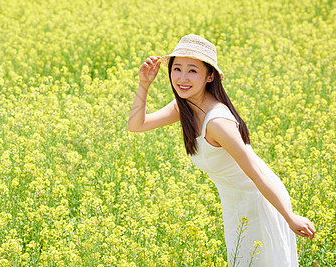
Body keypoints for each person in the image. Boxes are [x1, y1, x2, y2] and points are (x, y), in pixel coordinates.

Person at [127, 34, 315, 266]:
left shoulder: (217, 122)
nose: (182, 78)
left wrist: (289, 217)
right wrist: (144, 84)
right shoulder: (184, 106)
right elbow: (137, 125)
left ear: (210, 75)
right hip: (235, 201)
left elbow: (256, 170)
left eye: (192, 70)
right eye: (177, 69)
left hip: (259, 199)